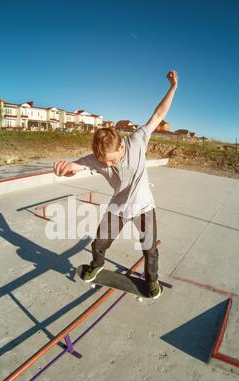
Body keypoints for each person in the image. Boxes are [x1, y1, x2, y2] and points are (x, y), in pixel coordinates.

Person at [54, 70, 178, 299]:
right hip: (118, 207)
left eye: (112, 161)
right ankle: (96, 265)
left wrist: (172, 87)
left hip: (143, 207)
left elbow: (158, 114)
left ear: (121, 147)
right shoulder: (97, 158)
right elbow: (76, 167)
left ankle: (152, 281)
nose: (108, 166)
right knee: (99, 243)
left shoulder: (137, 140)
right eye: (104, 162)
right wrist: (65, 169)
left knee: (149, 248)